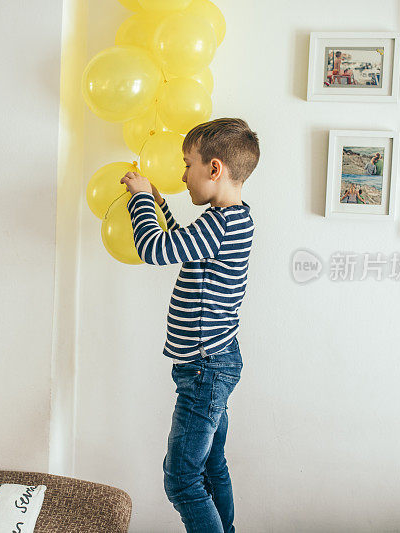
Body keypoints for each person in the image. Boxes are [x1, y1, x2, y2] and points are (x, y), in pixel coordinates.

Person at [120, 118, 257, 533]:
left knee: (181, 479)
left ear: (214, 169)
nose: (183, 175)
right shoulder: (232, 219)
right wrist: (160, 204)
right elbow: (187, 247)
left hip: (205, 368)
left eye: (187, 165)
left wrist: (139, 201)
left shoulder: (220, 224)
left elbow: (154, 248)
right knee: (211, 464)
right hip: (214, 363)